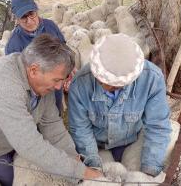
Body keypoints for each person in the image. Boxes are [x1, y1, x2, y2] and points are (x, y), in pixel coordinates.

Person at [0, 34, 102, 186]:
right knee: (20, 181)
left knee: (53, 173)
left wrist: (75, 159)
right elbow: (29, 145)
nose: (59, 87)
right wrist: (82, 174)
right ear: (34, 70)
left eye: (62, 80)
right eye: (56, 80)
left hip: (16, 136)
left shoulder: (42, 84)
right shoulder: (1, 86)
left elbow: (52, 125)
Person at [68, 33, 172, 177]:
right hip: (98, 146)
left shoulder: (151, 79)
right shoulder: (80, 84)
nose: (103, 84)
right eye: (99, 79)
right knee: (104, 179)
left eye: (113, 85)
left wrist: (150, 170)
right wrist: (94, 167)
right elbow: (80, 130)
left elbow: (158, 126)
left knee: (137, 178)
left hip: (132, 141)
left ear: (128, 80)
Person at [4, 0, 66, 112]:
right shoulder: (14, 44)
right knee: (38, 120)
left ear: (36, 11)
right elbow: (16, 75)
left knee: (55, 114)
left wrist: (68, 71)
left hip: (55, 84)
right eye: (23, 17)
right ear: (17, 19)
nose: (29, 20)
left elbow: (63, 47)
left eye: (31, 14)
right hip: (36, 91)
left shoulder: (50, 26)